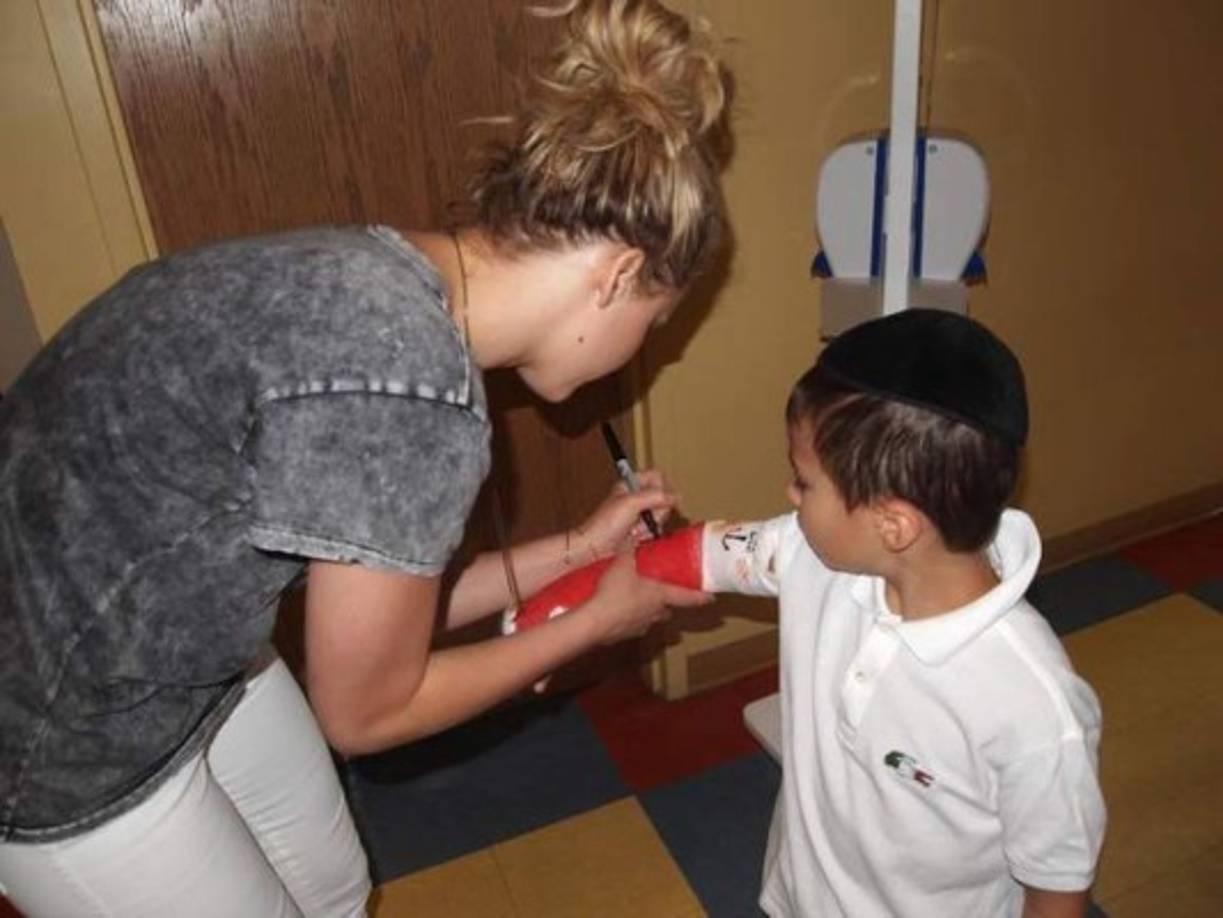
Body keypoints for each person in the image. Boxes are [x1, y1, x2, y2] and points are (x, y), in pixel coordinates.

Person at [0, 1, 730, 914]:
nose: (639, 350)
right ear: (618, 274)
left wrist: (579, 553)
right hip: (54, 733)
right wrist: (593, 623)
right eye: (652, 323)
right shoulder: (414, 390)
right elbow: (369, 711)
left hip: (184, 644)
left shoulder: (383, 270)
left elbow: (367, 616)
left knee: (333, 888)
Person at [694, 309, 1106, 916]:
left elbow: (1057, 884)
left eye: (803, 483)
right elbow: (709, 556)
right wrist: (605, 558)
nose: (790, 496)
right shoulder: (816, 555)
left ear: (893, 524)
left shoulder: (1034, 708)